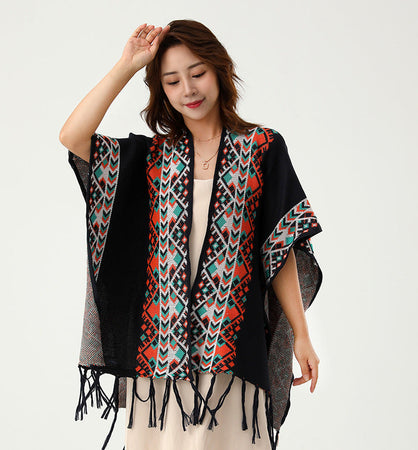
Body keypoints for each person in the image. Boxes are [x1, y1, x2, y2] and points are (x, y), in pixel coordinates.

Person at [59, 19, 323, 450]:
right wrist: (127, 65)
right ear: (161, 90)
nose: (188, 89)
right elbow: (73, 137)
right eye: (172, 81)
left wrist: (302, 335)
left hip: (231, 356)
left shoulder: (262, 148)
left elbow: (280, 248)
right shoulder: (152, 159)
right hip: (160, 360)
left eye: (197, 73)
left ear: (219, 69)